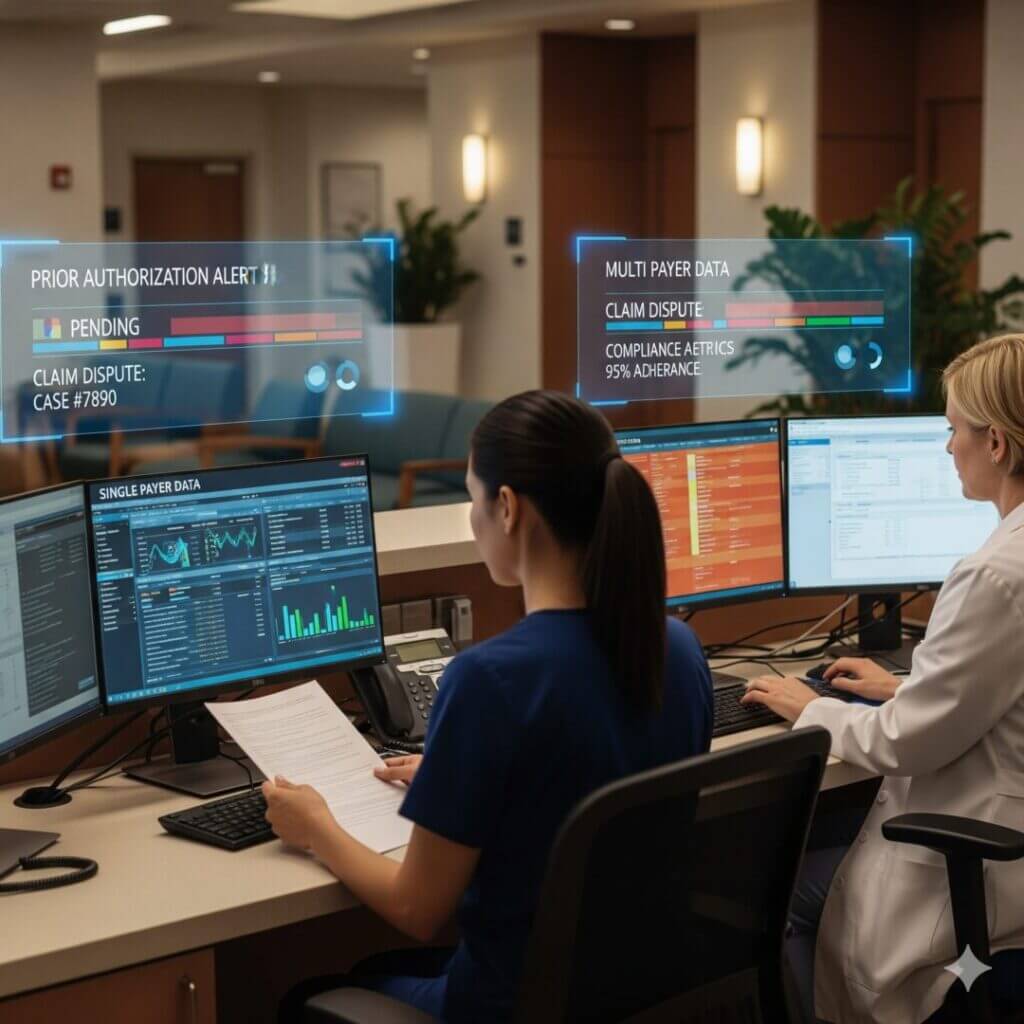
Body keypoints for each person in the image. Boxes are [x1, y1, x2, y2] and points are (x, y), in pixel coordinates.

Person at [265, 390, 714, 1023]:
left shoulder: (488, 681)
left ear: (507, 509)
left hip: (504, 1007)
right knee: (371, 975)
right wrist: (459, 777)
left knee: (309, 997)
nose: (471, 521)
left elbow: (417, 910)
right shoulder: (678, 648)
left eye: (473, 498)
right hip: (636, 996)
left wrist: (317, 827)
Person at [743, 333, 1024, 1024]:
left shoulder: (994, 575)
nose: (947, 445)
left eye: (954, 428)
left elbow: (905, 745)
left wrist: (813, 707)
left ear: (996, 444)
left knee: (770, 903)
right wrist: (906, 687)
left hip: (981, 876)